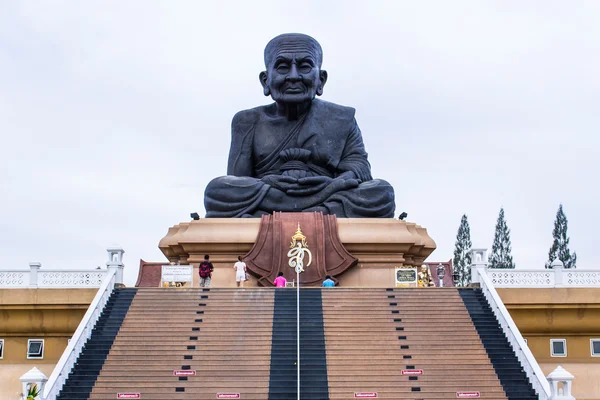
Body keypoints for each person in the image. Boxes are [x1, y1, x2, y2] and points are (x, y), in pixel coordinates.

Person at [204, 33, 395, 218]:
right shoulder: (246, 121)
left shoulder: (341, 118)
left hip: (326, 191)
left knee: (382, 192)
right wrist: (268, 182)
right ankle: (318, 214)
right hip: (276, 194)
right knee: (217, 189)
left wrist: (331, 185)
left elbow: (360, 170)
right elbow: (237, 181)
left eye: (304, 66)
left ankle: (271, 216)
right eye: (282, 67)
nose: (294, 76)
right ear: (265, 80)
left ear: (321, 80)